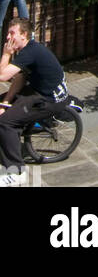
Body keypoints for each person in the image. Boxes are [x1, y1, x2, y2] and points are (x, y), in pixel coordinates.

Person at [0, 20, 73, 186]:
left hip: (50, 100)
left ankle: (16, 171)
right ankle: (10, 137)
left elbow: (2, 76)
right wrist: (5, 102)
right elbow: (21, 78)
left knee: (5, 122)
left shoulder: (30, 52)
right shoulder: (27, 50)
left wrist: (6, 53)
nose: (8, 36)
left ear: (24, 35)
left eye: (12, 33)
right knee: (4, 108)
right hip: (37, 91)